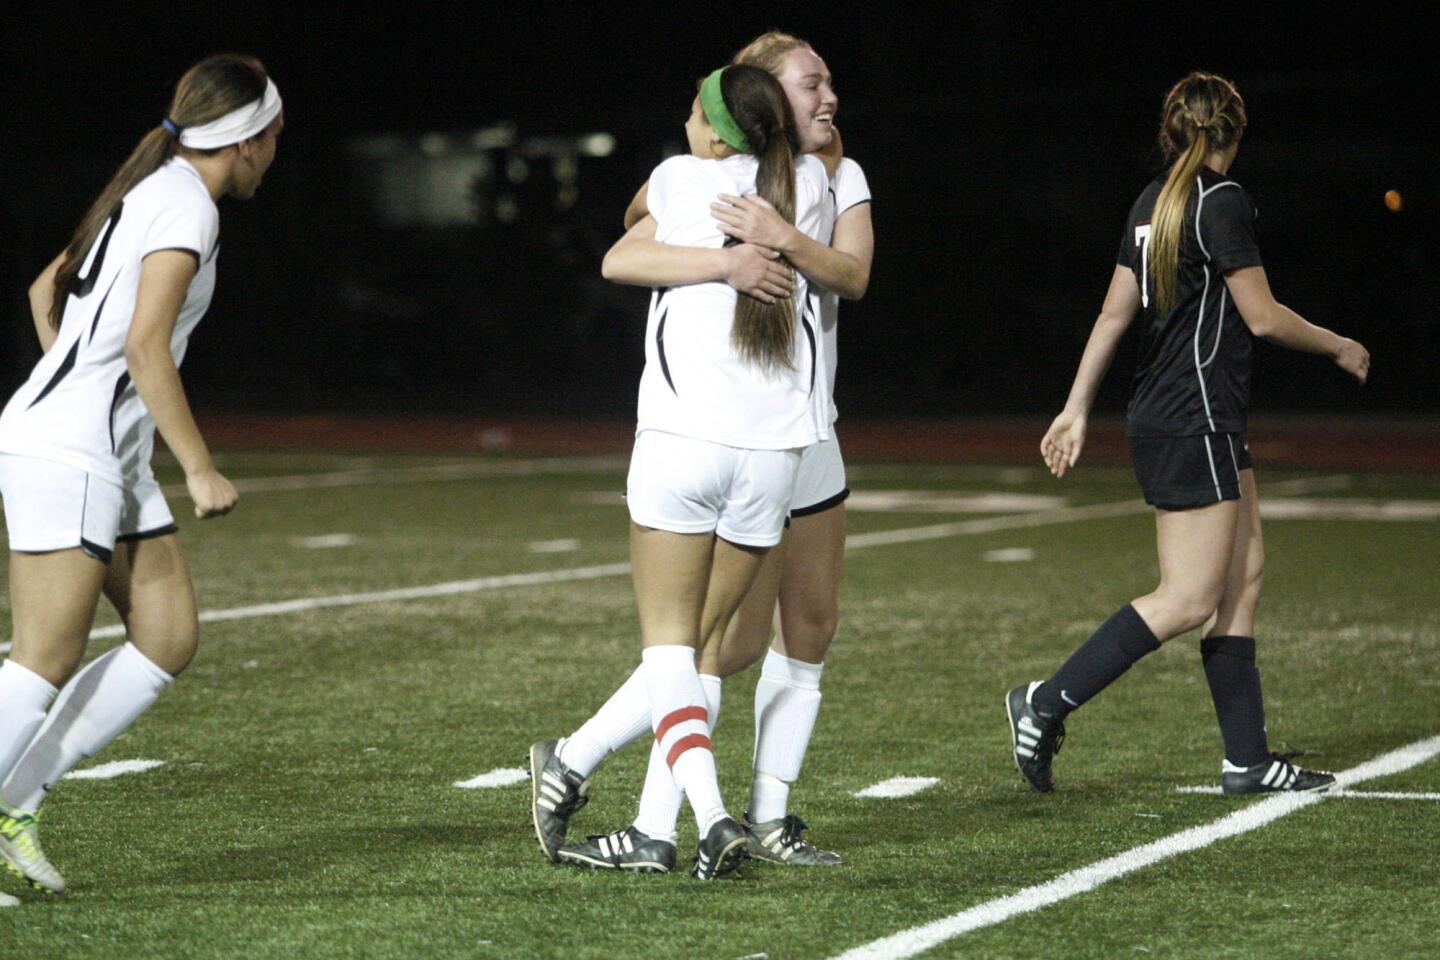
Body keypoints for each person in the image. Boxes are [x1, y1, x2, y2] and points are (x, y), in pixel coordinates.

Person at [530, 33, 871, 871]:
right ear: (764, 103)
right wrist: (730, 255)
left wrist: (774, 238)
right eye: (809, 84)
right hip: (766, 435)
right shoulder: (746, 177)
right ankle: (648, 812)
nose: (828, 96)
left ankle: (697, 808)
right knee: (719, 643)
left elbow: (851, 276)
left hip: (790, 432)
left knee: (754, 632)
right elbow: (634, 220)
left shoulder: (831, 177)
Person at [1006, 71, 1369, 796]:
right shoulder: (1220, 200)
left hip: (1194, 416)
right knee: (1187, 597)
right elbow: (1261, 316)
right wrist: (1337, 344)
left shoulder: (1152, 203)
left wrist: (1076, 406)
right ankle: (1044, 702)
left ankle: (1247, 758)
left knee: (1246, 574)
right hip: (1193, 417)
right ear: (1236, 129)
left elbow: (1114, 314)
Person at [0, 54, 283, 895]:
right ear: (246, 141)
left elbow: (43, 290)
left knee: (166, 636)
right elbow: (144, 345)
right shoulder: (185, 206)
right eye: (274, 138)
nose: (276, 154)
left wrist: (76, 388)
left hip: (93, 448)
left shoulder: (151, 187)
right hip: (73, 452)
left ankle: (15, 800)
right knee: (42, 659)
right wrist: (197, 467)